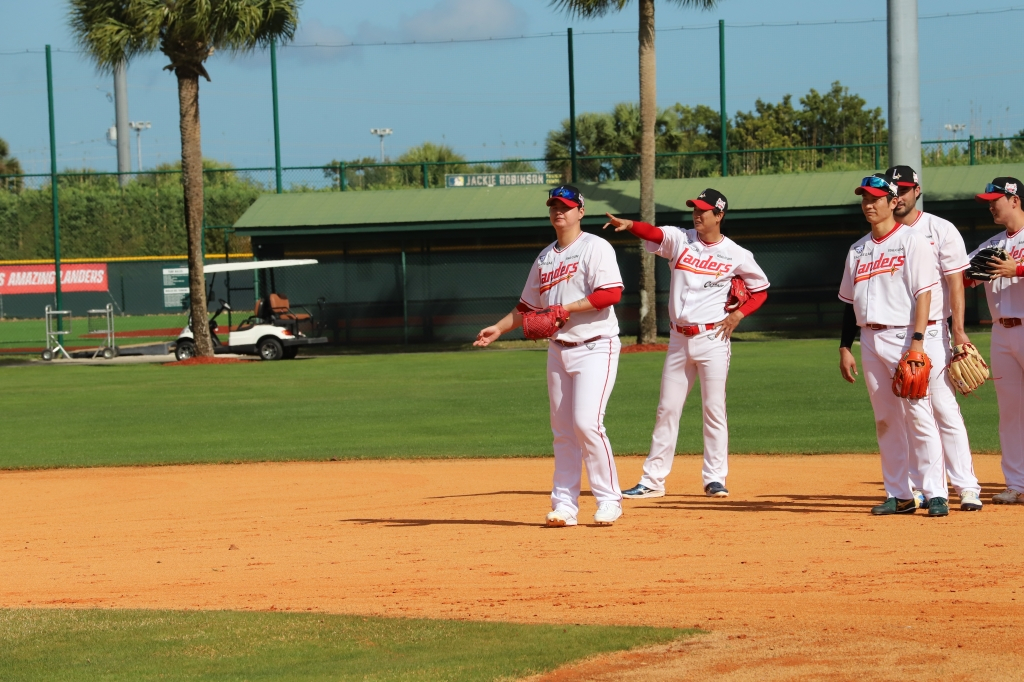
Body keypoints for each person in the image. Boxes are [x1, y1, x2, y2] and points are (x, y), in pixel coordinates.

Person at [474, 185, 626, 527]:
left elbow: (611, 293)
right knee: (562, 431)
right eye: (554, 206)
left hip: (595, 345)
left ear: (580, 212)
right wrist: (499, 328)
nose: (560, 211)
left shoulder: (595, 247)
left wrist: (565, 309)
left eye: (567, 206)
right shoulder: (545, 257)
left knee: (587, 423)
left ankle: (609, 499)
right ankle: (565, 505)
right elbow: (528, 307)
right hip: (558, 350)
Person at [604, 188, 770, 499]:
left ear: (719, 215)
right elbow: (654, 233)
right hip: (679, 339)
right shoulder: (681, 239)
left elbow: (760, 290)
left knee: (714, 409)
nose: (697, 214)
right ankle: (652, 481)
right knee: (667, 409)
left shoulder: (737, 254)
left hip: (714, 338)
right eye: (695, 208)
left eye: (704, 210)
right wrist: (632, 225)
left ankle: (715, 478)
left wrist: (738, 316)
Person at [838, 174, 949, 516]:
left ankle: (936, 493)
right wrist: (845, 346)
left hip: (904, 336)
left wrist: (917, 343)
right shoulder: (857, 249)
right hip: (870, 339)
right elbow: (848, 302)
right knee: (885, 418)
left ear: (891, 201)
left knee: (918, 413)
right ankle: (900, 494)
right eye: (864, 199)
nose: (869, 205)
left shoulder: (912, 241)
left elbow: (924, 295)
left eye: (875, 198)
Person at [884, 165, 983, 511]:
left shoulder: (940, 229)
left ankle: (967, 486)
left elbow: (956, 282)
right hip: (897, 334)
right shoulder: (885, 236)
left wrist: (958, 333)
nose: (899, 197)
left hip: (936, 331)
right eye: (893, 191)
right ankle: (923, 486)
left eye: (905, 190)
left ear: (917, 191)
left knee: (943, 407)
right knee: (909, 411)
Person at [964, 177, 1024, 504]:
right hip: (1001, 333)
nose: (990, 204)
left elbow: (1016, 270)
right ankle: (1016, 484)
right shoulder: (992, 244)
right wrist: (965, 278)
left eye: (995, 199)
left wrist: (1019, 270)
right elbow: (961, 275)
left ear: (1014, 200)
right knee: (1010, 413)